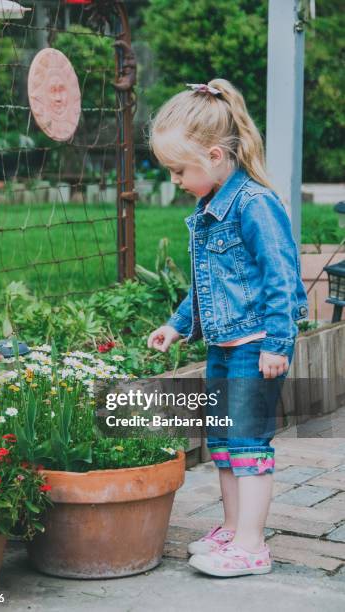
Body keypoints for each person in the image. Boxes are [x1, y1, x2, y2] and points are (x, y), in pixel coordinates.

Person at [147, 79, 308, 577]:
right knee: (223, 444)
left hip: (255, 345)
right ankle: (234, 530)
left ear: (214, 155)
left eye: (179, 169)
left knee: (248, 444)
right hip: (222, 344)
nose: (174, 179)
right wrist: (177, 325)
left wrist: (278, 343)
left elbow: (282, 276)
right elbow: (206, 284)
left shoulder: (254, 205)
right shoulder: (207, 210)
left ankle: (252, 546)